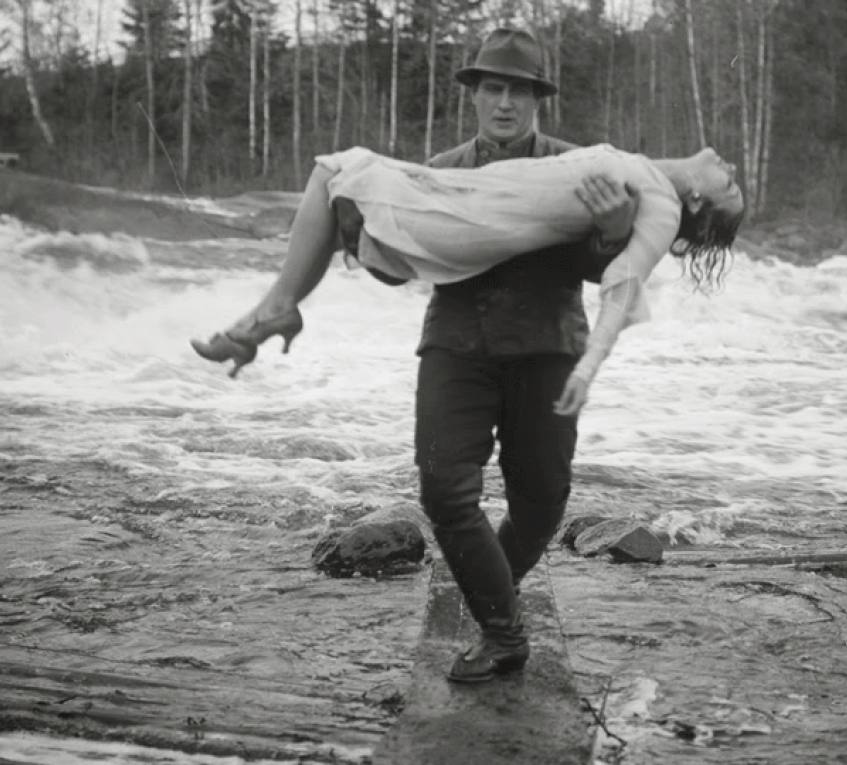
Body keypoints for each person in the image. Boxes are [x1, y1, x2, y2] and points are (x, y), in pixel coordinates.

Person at [191, 29, 744, 685]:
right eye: (493, 89)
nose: (505, 103)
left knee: (541, 503)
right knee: (444, 490)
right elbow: (405, 268)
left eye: (518, 92)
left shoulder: (580, 165)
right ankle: (504, 631)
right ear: (475, 96)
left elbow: (607, 274)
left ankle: (486, 599)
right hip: (457, 346)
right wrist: (367, 239)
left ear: (537, 101)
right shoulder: (441, 168)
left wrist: (612, 232)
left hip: (546, 346)